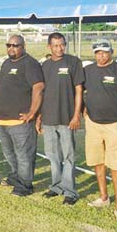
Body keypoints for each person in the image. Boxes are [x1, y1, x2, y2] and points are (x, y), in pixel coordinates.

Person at [84, 39, 117, 222]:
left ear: (111, 52)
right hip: (93, 125)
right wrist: (84, 112)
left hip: (115, 125)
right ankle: (104, 197)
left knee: (115, 165)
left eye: (105, 52)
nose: (101, 55)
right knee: (98, 163)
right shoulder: (88, 71)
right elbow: (80, 91)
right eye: (98, 52)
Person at [35, 32, 83, 205]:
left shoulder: (73, 62)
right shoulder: (44, 66)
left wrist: (76, 115)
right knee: (53, 155)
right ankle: (56, 186)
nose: (59, 48)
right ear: (49, 47)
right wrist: (39, 116)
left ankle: (70, 191)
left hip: (67, 118)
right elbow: (42, 93)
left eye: (62, 44)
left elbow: (79, 90)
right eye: (55, 45)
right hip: (48, 118)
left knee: (68, 155)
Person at [0, 35, 44, 197]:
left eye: (15, 45)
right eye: (8, 45)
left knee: (24, 155)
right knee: (9, 153)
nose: (11, 48)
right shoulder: (7, 63)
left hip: (21, 122)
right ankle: (16, 176)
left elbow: (38, 87)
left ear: (23, 46)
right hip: (3, 120)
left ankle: (25, 185)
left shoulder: (30, 64)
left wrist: (32, 112)